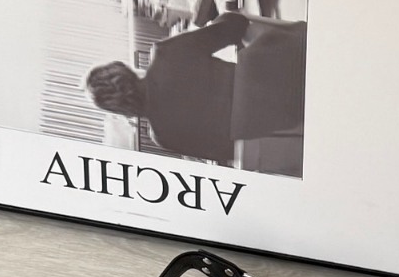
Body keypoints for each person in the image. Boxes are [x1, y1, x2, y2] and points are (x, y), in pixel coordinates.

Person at [85, 12, 306, 164]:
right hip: (280, 74)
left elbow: (226, 151)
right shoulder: (163, 54)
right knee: (273, 33)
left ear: (119, 109)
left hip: (279, 123)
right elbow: (235, 26)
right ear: (124, 70)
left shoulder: (162, 137)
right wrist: (218, 22)